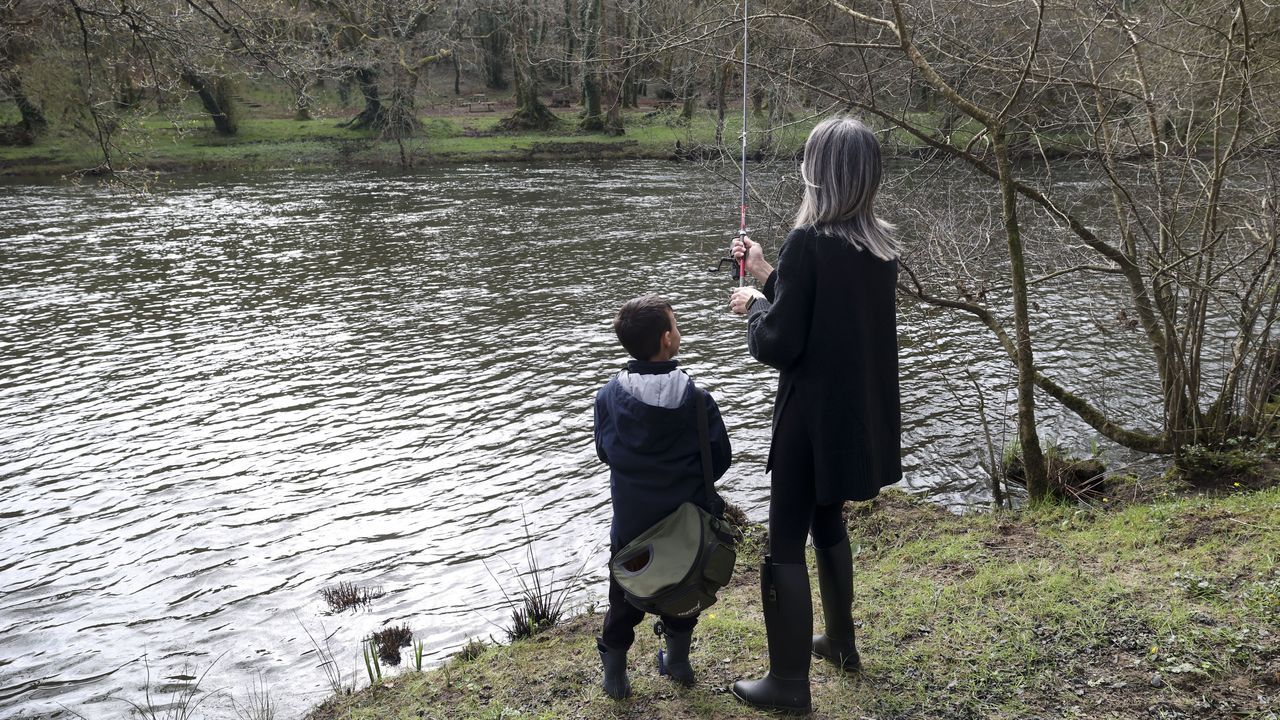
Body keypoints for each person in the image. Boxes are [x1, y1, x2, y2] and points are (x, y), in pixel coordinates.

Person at [726, 117, 903, 714]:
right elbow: (824, 312)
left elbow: (779, 343)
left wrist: (754, 307)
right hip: (850, 417)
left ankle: (787, 684)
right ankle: (842, 644)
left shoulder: (808, 243)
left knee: (782, 544)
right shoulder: (877, 246)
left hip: (808, 418)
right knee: (827, 525)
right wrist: (766, 275)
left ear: (817, 173)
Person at [592, 295, 732, 699]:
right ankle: (678, 661)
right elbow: (719, 459)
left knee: (624, 596)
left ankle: (615, 675)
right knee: (685, 587)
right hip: (686, 522)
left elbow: (605, 452)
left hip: (632, 524)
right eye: (677, 324)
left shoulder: (607, 398)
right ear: (668, 339)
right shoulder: (698, 400)